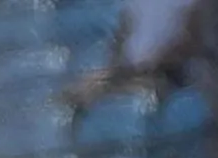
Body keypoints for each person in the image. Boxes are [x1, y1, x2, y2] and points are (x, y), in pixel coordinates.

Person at [68, 0, 210, 104]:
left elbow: (190, 41)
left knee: (99, 92)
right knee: (74, 93)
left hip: (169, 75)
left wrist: (148, 66)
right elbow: (122, 33)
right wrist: (113, 70)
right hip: (134, 71)